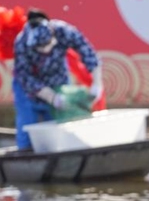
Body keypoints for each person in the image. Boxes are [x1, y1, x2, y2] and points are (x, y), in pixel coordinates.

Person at [12, 8, 103, 150]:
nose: (44, 50)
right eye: (39, 47)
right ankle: (25, 156)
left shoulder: (64, 31)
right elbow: (25, 76)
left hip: (59, 80)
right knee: (27, 125)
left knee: (59, 129)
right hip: (30, 89)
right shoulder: (21, 42)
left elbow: (88, 52)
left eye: (47, 44)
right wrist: (51, 97)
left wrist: (97, 84)